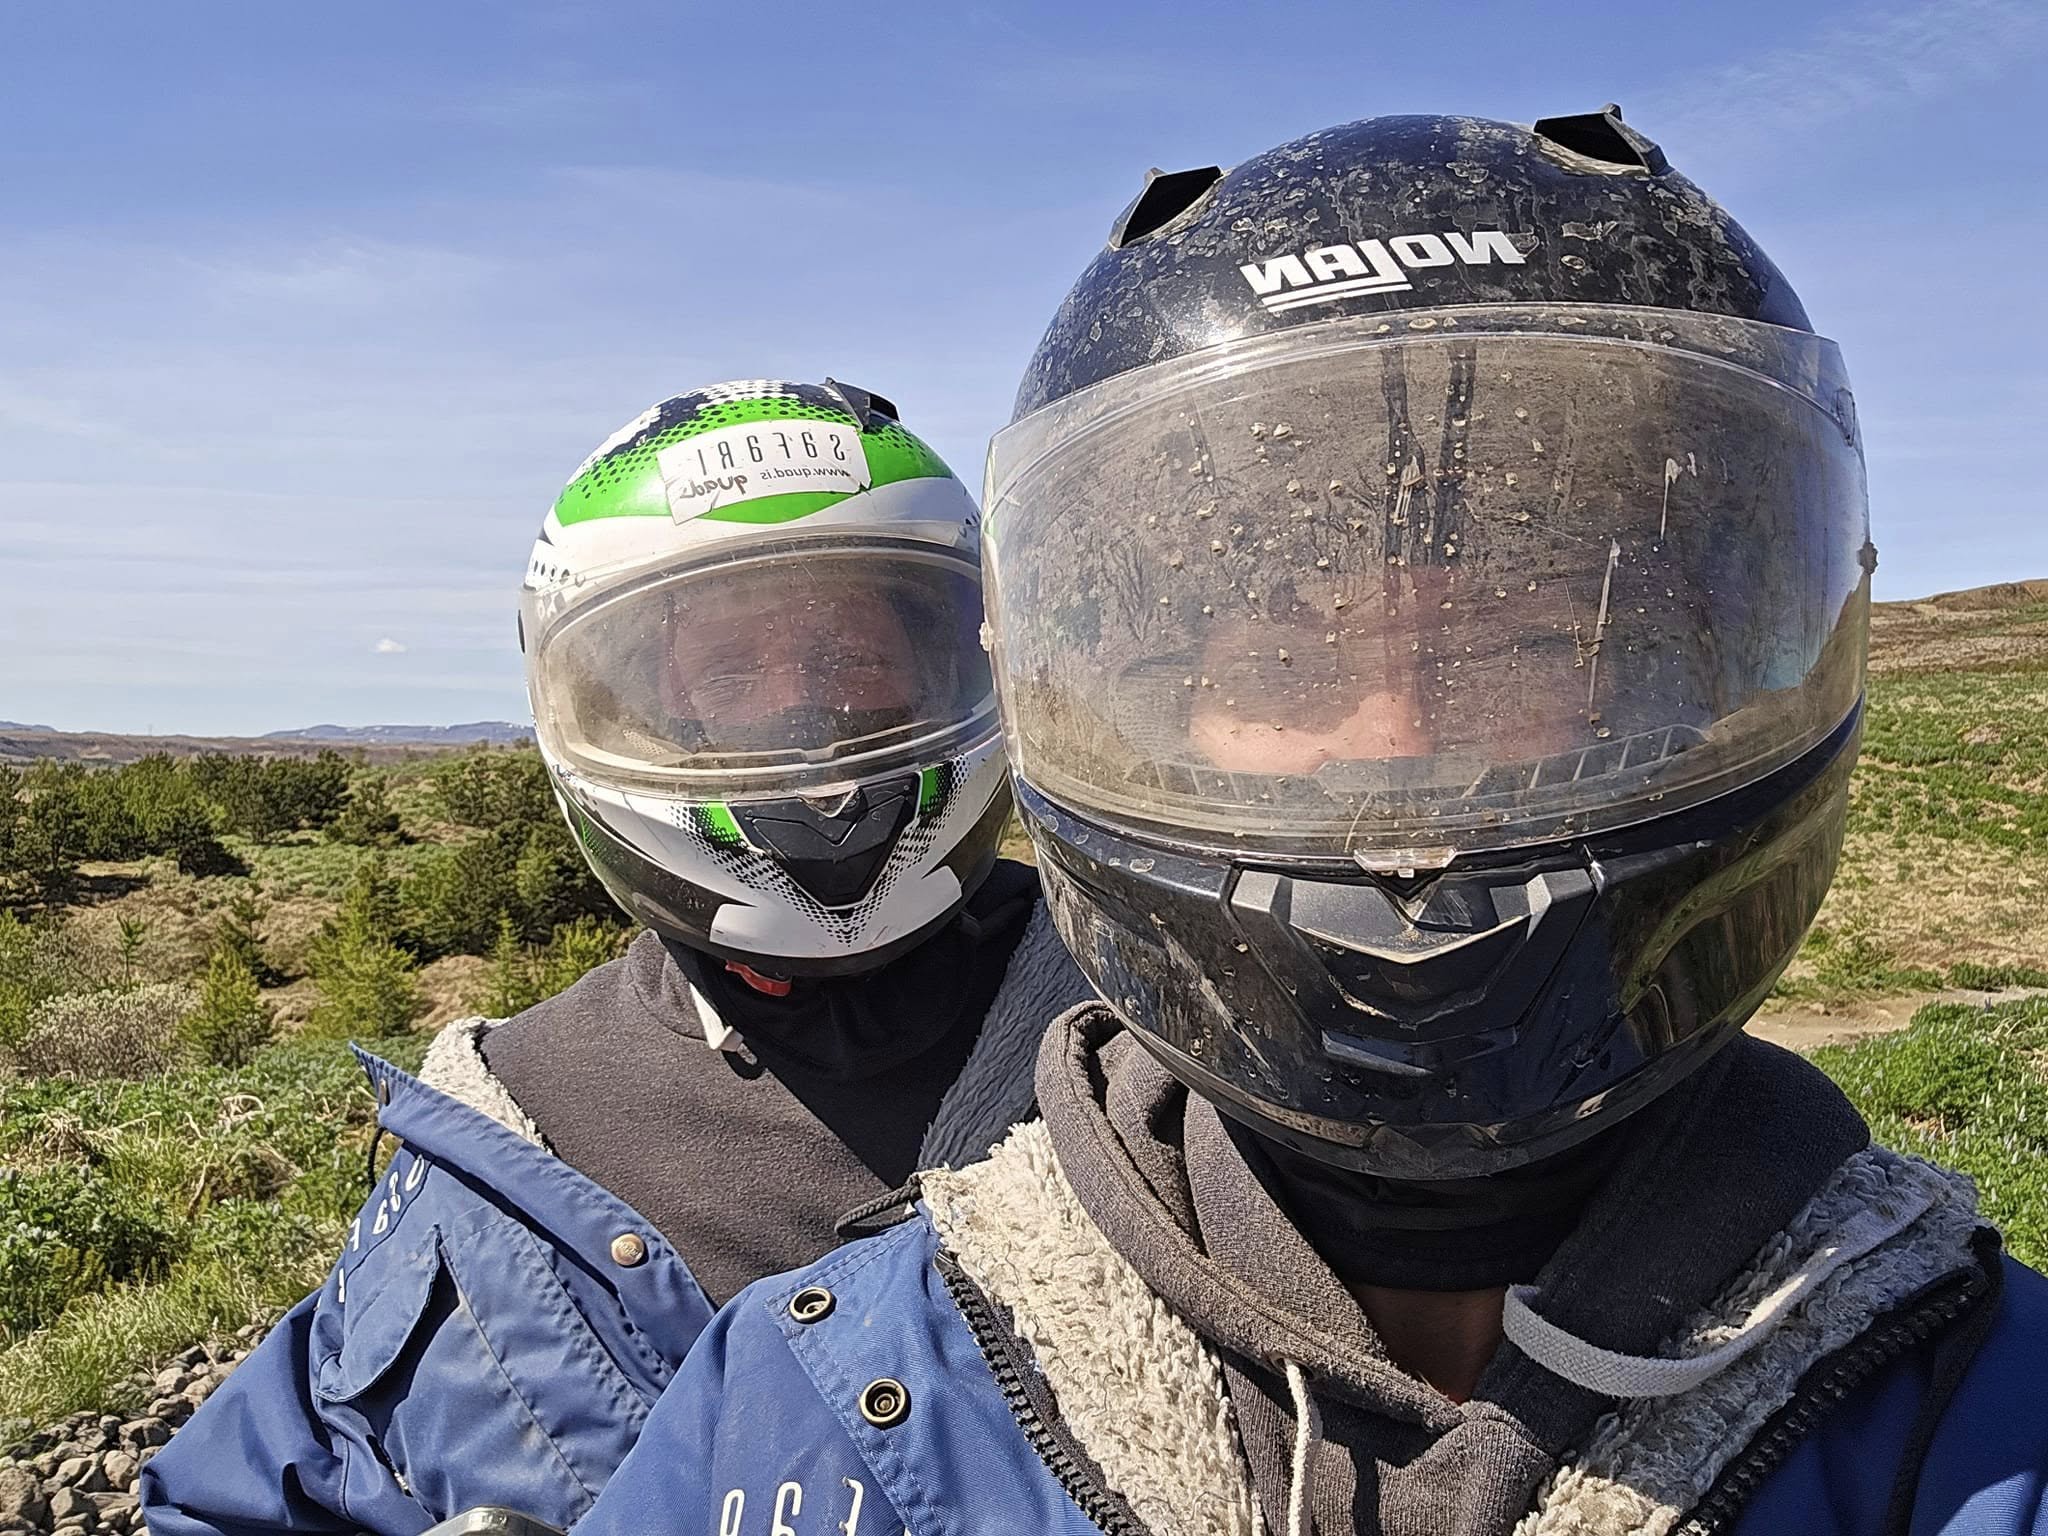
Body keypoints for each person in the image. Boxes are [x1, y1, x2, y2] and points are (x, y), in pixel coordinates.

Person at [554, 112, 2048, 1536]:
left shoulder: (1986, 1409)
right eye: (1287, 666)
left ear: (1713, 677)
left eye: (1528, 656)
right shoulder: (815, 1409)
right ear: (1128, 706)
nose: (1398, 753)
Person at [139, 378, 1092, 1535]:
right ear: (623, 710)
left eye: (852, 657)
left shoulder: (1180, 1018)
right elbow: (261, 1491)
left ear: (963, 653)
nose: (806, 722)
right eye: (730, 676)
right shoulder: (505, 1133)